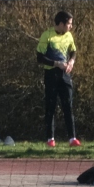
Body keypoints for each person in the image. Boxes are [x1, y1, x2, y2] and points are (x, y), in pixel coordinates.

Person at [37, 9, 79, 146]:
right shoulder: (47, 36)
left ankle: (72, 138)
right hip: (51, 75)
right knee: (51, 106)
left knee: (68, 105)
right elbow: (40, 58)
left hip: (65, 75)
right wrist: (57, 64)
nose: (71, 26)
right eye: (69, 24)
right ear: (61, 24)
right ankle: (50, 139)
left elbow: (73, 51)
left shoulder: (69, 36)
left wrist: (71, 61)